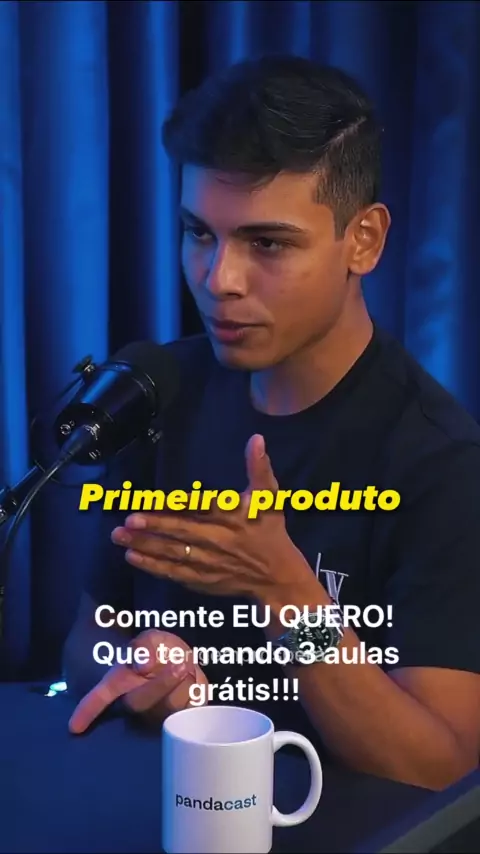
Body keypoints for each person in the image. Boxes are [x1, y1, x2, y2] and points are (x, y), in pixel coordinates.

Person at [63, 54, 480, 791]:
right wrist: (136, 672)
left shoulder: (440, 462)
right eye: (198, 233)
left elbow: (440, 764)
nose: (218, 279)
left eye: (268, 244)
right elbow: (87, 641)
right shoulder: (160, 395)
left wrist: (289, 595)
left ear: (364, 240)